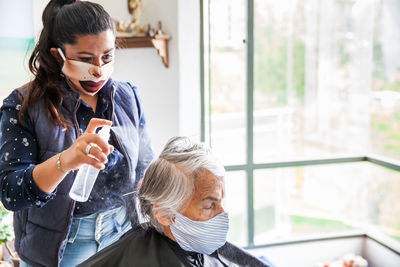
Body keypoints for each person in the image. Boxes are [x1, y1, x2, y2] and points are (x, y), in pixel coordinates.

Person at [0, 0, 154, 266]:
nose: (98, 69)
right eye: (85, 59)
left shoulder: (128, 96)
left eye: (107, 56)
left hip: (123, 234)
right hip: (60, 248)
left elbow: (144, 168)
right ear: (58, 54)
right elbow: (12, 192)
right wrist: (67, 160)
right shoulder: (23, 105)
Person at [78, 137, 271, 267]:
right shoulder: (133, 256)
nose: (223, 214)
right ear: (164, 214)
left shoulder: (210, 249)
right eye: (209, 205)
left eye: (221, 202)